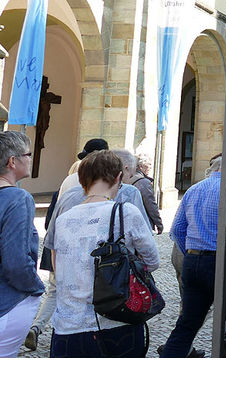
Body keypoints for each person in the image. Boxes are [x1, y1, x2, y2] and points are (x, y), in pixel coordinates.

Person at [48, 150, 159, 357]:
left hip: (68, 326)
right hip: (116, 323)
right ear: (118, 177)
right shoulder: (126, 212)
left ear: (81, 180)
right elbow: (152, 261)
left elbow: (58, 266)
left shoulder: (64, 219)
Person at [23, 138, 110, 351]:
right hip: (83, 247)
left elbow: (53, 217)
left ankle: (38, 327)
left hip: (60, 243)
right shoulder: (99, 184)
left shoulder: (68, 181)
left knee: (55, 290)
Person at [160, 155, 226, 357]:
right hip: (220, 262)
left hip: (192, 261)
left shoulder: (193, 189)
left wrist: (192, 252)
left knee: (187, 322)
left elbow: (177, 230)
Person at [0, 132, 45, 357]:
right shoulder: (18, 198)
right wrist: (36, 287)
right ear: (12, 161)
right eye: (28, 154)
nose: (31, 159)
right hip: (6, 304)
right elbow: (16, 262)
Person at [114, 149, 163, 235]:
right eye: (148, 165)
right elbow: (150, 204)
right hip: (140, 222)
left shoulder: (127, 179)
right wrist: (158, 223)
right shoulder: (143, 182)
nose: (150, 168)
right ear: (141, 167)